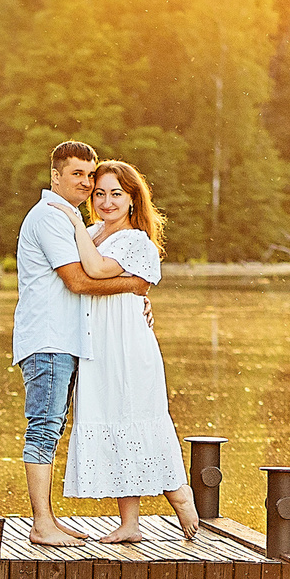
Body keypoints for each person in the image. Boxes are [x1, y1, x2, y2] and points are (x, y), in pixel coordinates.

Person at [43, 160, 202, 543]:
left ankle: (179, 494)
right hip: (97, 344)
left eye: (116, 194)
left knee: (137, 417)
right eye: (99, 193)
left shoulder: (135, 240)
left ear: (132, 198)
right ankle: (129, 523)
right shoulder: (95, 231)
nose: (107, 201)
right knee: (114, 422)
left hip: (127, 346)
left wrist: (73, 219)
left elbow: (95, 271)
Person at [13, 142, 156, 548]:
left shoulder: (72, 218)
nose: (86, 181)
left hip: (66, 340)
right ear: (55, 175)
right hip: (49, 338)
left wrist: (138, 297)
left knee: (52, 427)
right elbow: (78, 280)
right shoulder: (51, 217)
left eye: (89, 174)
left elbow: (103, 269)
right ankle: (42, 525)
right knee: (44, 428)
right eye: (77, 173)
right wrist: (136, 284)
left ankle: (49, 520)